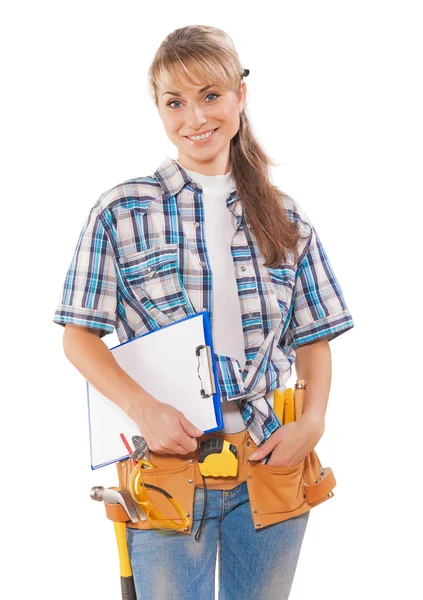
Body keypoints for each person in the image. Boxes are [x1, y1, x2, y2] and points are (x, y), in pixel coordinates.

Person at [53, 24, 354, 600]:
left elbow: (315, 337)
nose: (194, 118)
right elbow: (78, 337)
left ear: (241, 96)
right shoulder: (122, 211)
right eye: (175, 102)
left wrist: (312, 422)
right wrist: (145, 410)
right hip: (169, 470)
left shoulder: (287, 219)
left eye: (210, 96)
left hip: (273, 464)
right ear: (159, 109)